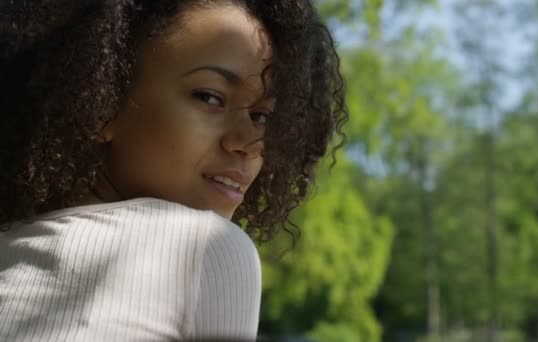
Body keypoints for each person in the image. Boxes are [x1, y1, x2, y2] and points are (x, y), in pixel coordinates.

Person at [0, 0, 346, 341]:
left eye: (262, 117)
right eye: (210, 97)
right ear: (103, 100)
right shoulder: (206, 248)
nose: (249, 142)